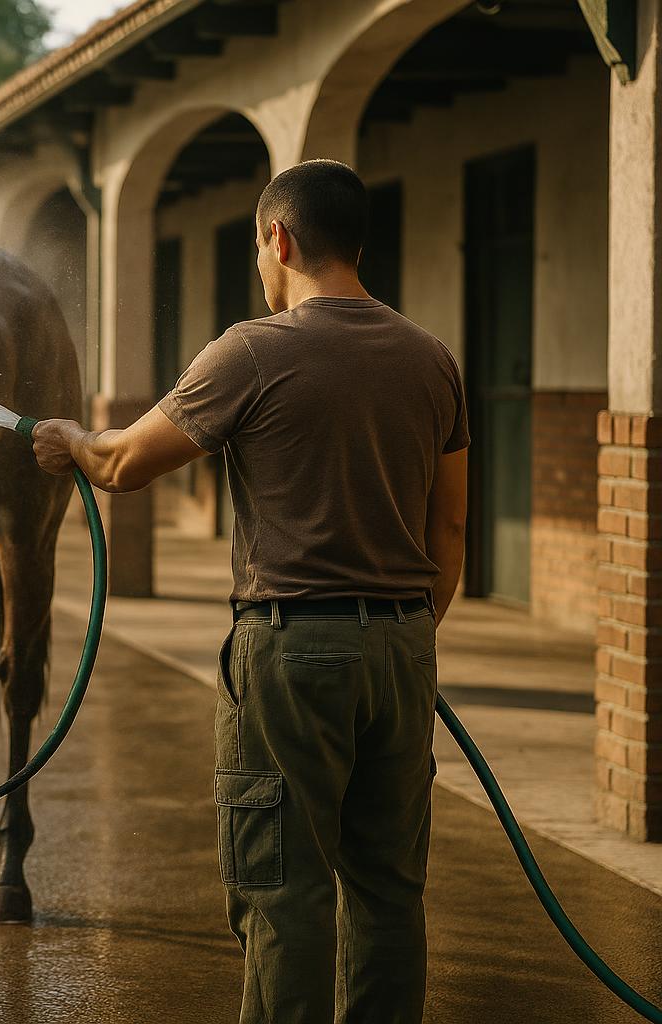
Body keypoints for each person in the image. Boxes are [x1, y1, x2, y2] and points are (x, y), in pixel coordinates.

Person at [29, 159, 469, 1024]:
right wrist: (404, 634)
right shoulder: (432, 359)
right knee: (387, 890)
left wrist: (71, 438)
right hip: (404, 645)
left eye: (260, 251)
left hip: (289, 652)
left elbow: (121, 465)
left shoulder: (252, 351)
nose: (261, 271)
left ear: (281, 237)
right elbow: (448, 531)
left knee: (281, 891)